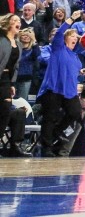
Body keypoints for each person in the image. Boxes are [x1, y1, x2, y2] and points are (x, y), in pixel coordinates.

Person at [37, 21, 85, 156]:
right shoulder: (58, 48)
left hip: (69, 91)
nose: (75, 39)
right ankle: (46, 147)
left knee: (75, 113)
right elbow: (58, 33)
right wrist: (69, 20)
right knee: (50, 118)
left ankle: (58, 132)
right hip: (53, 89)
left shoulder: (76, 57)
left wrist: (80, 71)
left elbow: (72, 72)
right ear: (65, 39)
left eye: (76, 37)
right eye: (72, 36)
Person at [0, 14, 28, 156]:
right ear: (8, 24)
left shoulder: (17, 43)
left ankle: (14, 146)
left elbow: (16, 66)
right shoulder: (1, 39)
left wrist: (12, 83)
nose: (18, 22)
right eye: (15, 20)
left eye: (19, 21)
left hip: (5, 79)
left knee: (5, 109)